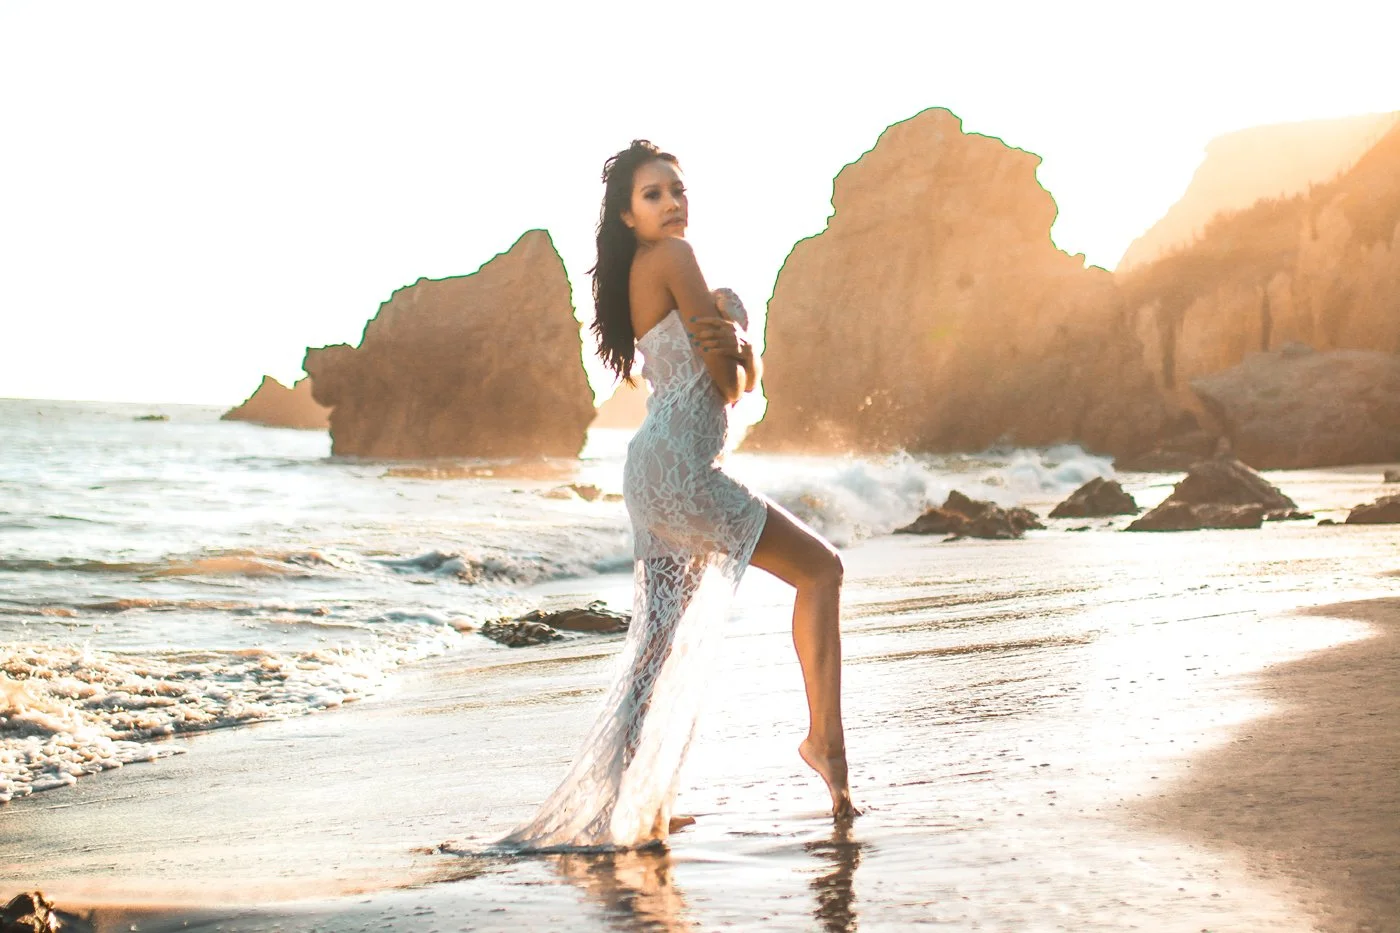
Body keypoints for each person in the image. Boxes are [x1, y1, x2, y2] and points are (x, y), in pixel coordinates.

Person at [499, 140, 855, 852]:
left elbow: (716, 374)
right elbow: (728, 383)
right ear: (628, 215)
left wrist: (735, 358)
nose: (673, 203)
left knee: (654, 649)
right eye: (654, 194)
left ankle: (621, 799)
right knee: (822, 571)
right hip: (682, 469)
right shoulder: (675, 259)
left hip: (653, 468)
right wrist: (746, 355)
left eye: (678, 190)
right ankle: (825, 743)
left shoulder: (637, 271)